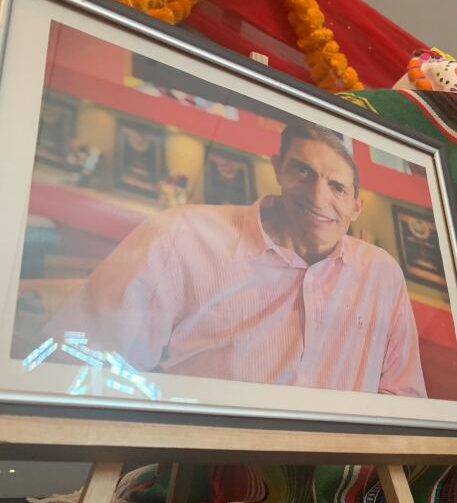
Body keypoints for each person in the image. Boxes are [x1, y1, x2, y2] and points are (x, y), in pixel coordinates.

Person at [47, 118, 426, 397]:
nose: (317, 197)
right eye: (302, 170)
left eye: (337, 187)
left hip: (338, 488)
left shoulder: (380, 273)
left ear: (357, 207)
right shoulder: (181, 235)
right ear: (278, 168)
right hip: (196, 475)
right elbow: (81, 362)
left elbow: (404, 399)